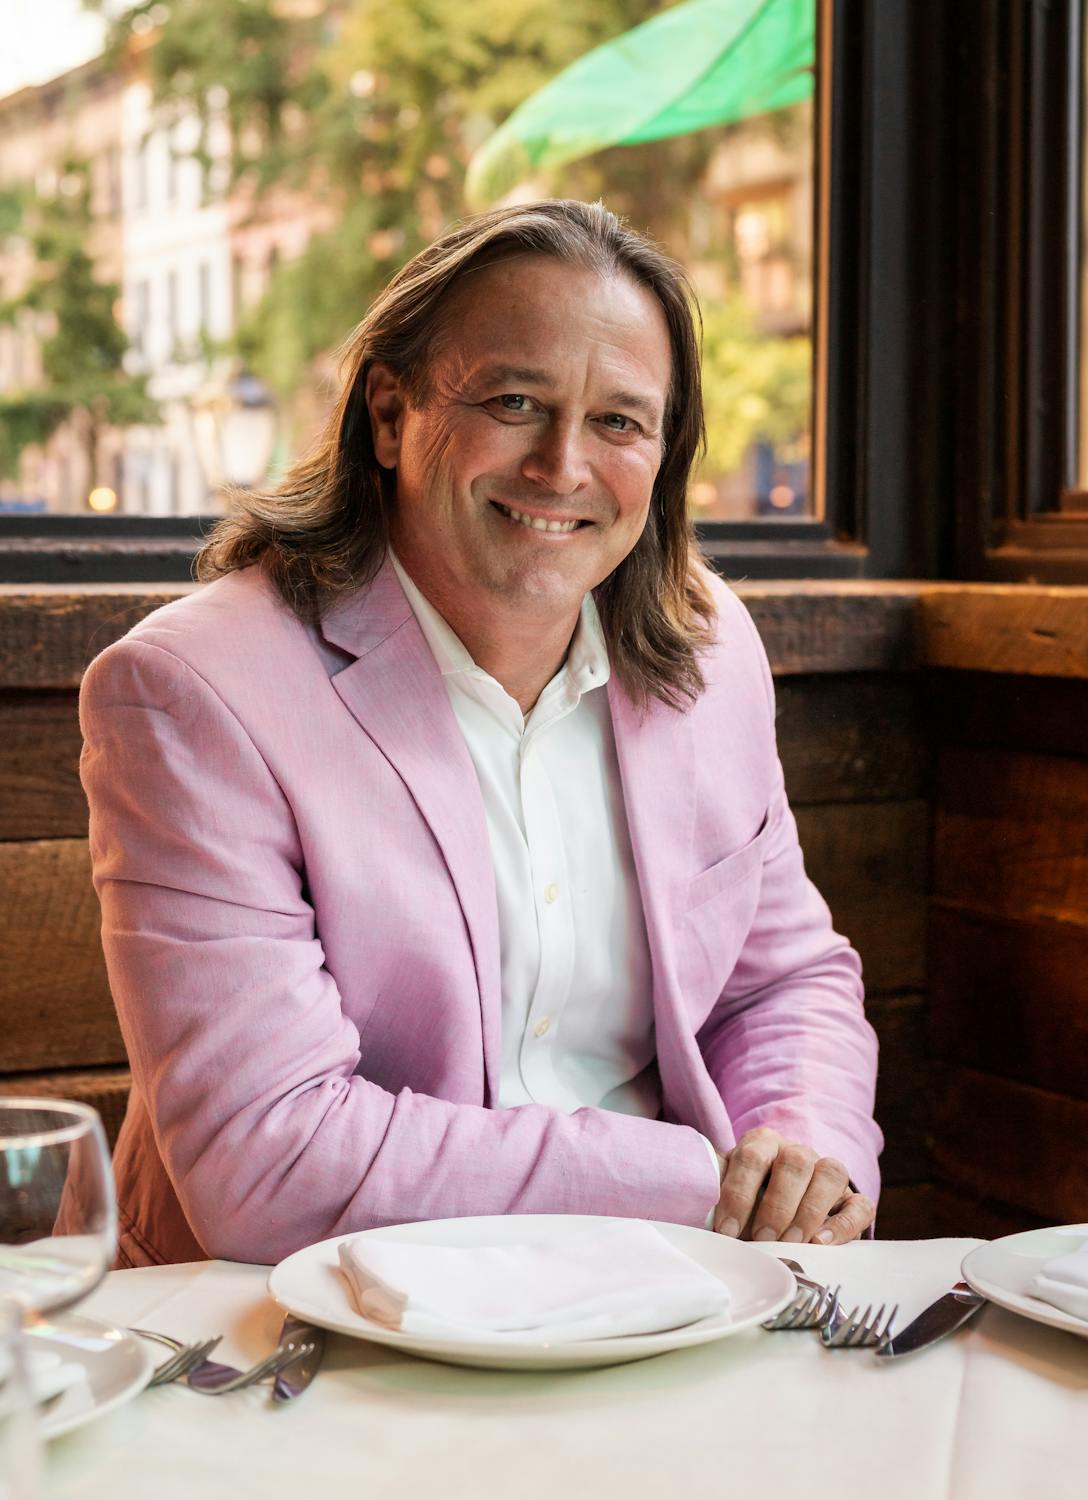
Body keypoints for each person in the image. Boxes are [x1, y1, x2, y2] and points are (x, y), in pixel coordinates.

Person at [80, 199, 881, 1269]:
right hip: (302, 1341)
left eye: (620, 422)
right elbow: (270, 1165)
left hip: (668, 1298)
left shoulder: (710, 648)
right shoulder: (196, 690)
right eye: (514, 401)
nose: (562, 466)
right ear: (389, 411)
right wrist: (694, 1178)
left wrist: (802, 1156)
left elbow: (779, 983)